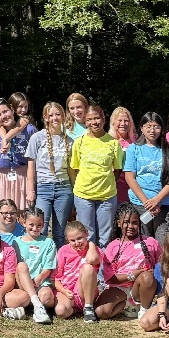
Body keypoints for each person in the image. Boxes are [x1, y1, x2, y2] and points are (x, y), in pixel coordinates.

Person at [70, 105, 125, 247]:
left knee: (105, 236)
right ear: (85, 122)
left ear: (104, 119)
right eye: (89, 119)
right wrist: (79, 187)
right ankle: (89, 260)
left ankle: (104, 261)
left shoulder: (113, 143)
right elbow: (74, 169)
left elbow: (118, 169)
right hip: (83, 195)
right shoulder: (79, 142)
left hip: (107, 196)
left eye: (97, 118)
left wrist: (107, 182)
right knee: (87, 235)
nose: (93, 122)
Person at [124, 112, 169, 245]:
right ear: (141, 128)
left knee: (163, 242)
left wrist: (157, 200)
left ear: (162, 129)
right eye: (148, 126)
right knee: (144, 243)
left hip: (163, 204)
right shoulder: (134, 149)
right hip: (140, 204)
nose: (152, 130)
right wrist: (147, 202)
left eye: (156, 127)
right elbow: (130, 177)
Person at [25, 101, 74, 246]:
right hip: (43, 188)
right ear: (45, 118)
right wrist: (30, 191)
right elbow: (31, 167)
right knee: (41, 228)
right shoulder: (37, 138)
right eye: (51, 115)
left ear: (63, 116)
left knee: (60, 231)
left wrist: (75, 192)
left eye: (58, 114)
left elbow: (72, 170)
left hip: (64, 188)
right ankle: (41, 257)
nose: (54, 118)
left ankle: (59, 258)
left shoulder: (70, 141)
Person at [102, 208, 161, 319]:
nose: (130, 226)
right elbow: (110, 278)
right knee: (101, 312)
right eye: (126, 222)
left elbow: (162, 265)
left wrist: (155, 272)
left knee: (147, 277)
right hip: (120, 287)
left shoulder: (150, 242)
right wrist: (132, 275)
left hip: (142, 286)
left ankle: (144, 309)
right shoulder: (112, 246)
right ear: (119, 223)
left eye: (134, 223)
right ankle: (128, 304)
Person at [0, 98, 35, 210]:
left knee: (22, 211)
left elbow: (35, 158)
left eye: (5, 111)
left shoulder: (29, 130)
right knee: (3, 212)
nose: (3, 116)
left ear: (12, 110)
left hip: (22, 175)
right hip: (1, 176)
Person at [53, 220, 112, 322]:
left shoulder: (94, 250)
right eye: (72, 240)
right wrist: (64, 291)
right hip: (68, 291)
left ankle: (88, 307)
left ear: (86, 234)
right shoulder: (63, 250)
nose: (77, 243)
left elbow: (92, 260)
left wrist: (91, 244)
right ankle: (76, 310)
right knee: (60, 311)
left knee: (88, 267)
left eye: (80, 238)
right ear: (67, 240)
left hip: (85, 292)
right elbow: (56, 278)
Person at [12, 209, 57, 324]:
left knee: (46, 297)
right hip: (22, 282)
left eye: (39, 225)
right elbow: (14, 266)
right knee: (21, 265)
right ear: (23, 223)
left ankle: (33, 304)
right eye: (31, 225)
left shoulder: (48, 242)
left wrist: (40, 277)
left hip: (41, 282)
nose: (35, 228)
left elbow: (49, 266)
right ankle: (36, 304)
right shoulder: (16, 242)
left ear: (43, 225)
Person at [108, 106, 138, 200]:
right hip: (113, 185)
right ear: (113, 122)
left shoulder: (137, 140)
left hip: (133, 185)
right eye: (119, 120)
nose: (123, 124)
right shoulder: (107, 140)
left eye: (126, 121)